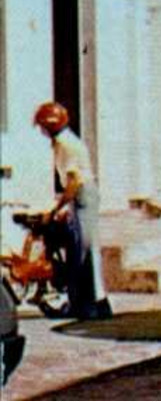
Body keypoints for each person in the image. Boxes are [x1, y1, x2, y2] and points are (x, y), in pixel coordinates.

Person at [33, 102, 111, 321]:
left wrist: (57, 207)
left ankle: (87, 305)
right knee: (82, 248)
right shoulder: (65, 142)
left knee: (82, 251)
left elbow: (74, 181)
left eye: (42, 126)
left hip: (83, 195)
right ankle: (93, 303)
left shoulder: (66, 145)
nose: (41, 131)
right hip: (83, 196)